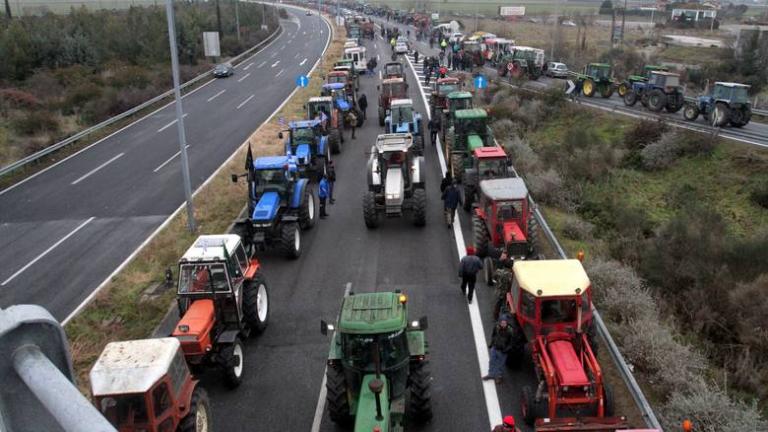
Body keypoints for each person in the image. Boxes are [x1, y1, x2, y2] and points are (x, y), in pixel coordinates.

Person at [483, 316, 513, 383]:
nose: (503, 324)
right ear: (500, 322)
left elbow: (511, 342)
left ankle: (499, 377)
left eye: (504, 323)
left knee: (500, 364)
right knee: (492, 361)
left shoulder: (510, 331)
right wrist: (491, 344)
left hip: (502, 351)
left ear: (507, 323)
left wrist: (506, 349)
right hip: (495, 348)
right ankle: (491, 374)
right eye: (502, 323)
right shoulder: (496, 327)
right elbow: (493, 335)